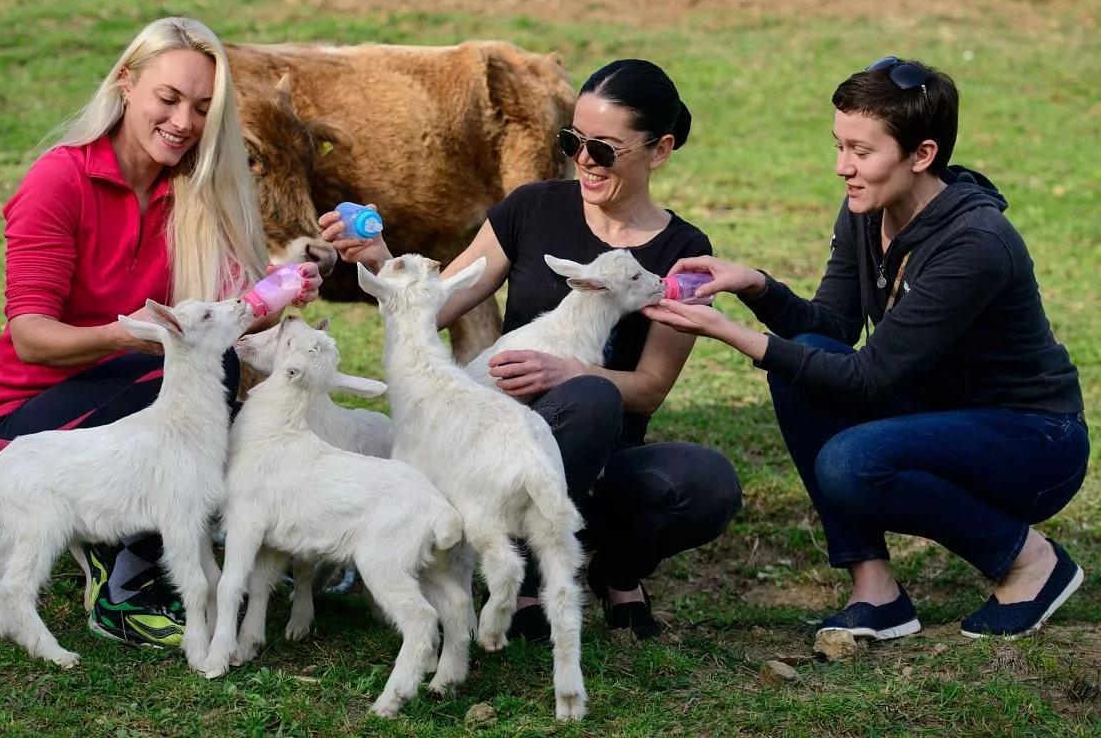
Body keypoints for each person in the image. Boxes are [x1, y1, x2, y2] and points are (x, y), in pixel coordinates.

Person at [644, 56, 1089, 640]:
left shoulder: (976, 244)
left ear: (921, 155)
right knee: (803, 357)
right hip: (940, 414)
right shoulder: (867, 207)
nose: (842, 167)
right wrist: (755, 285)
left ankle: (1031, 563)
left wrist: (731, 333)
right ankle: (876, 591)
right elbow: (831, 327)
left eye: (861, 151)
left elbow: (865, 378)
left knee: (850, 462)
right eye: (839, 146)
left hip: (1033, 442)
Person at [320, 59, 743, 641]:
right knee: (588, 398)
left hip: (597, 458)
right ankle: (522, 577)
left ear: (660, 149)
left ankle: (617, 569)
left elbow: (650, 387)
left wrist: (570, 371)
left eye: (604, 149)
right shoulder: (532, 208)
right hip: (496, 456)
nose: (584, 160)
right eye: (573, 142)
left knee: (707, 481)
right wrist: (381, 260)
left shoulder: (683, 249)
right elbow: (435, 306)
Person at [0, 17, 322, 650]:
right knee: (184, 374)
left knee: (208, 374)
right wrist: (125, 335)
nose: (184, 122)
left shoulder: (192, 190)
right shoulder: (60, 180)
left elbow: (225, 316)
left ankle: (197, 538)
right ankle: (126, 583)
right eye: (168, 98)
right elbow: (30, 338)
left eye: (202, 108)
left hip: (131, 400)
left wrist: (287, 286)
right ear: (126, 84)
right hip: (26, 429)